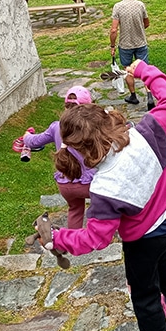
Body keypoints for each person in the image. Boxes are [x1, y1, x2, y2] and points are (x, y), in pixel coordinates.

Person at [34, 60, 166, 331]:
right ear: (105, 118)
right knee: (163, 256)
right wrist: (143, 70)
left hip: (144, 239)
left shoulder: (103, 188)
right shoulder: (148, 132)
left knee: (143, 293)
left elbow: (96, 238)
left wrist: (60, 237)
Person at [20, 86, 96, 229]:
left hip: (65, 184)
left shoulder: (56, 127)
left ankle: (74, 244)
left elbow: (34, 141)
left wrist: (26, 137)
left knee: (75, 210)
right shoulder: (92, 126)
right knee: (104, 205)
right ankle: (98, 237)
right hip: (90, 184)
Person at [108, 0, 154, 109]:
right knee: (145, 70)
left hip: (126, 45)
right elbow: (147, 23)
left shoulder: (118, 7)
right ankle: (150, 95)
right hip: (141, 42)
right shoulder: (140, 5)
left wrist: (112, 46)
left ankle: (133, 96)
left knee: (128, 69)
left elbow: (113, 29)